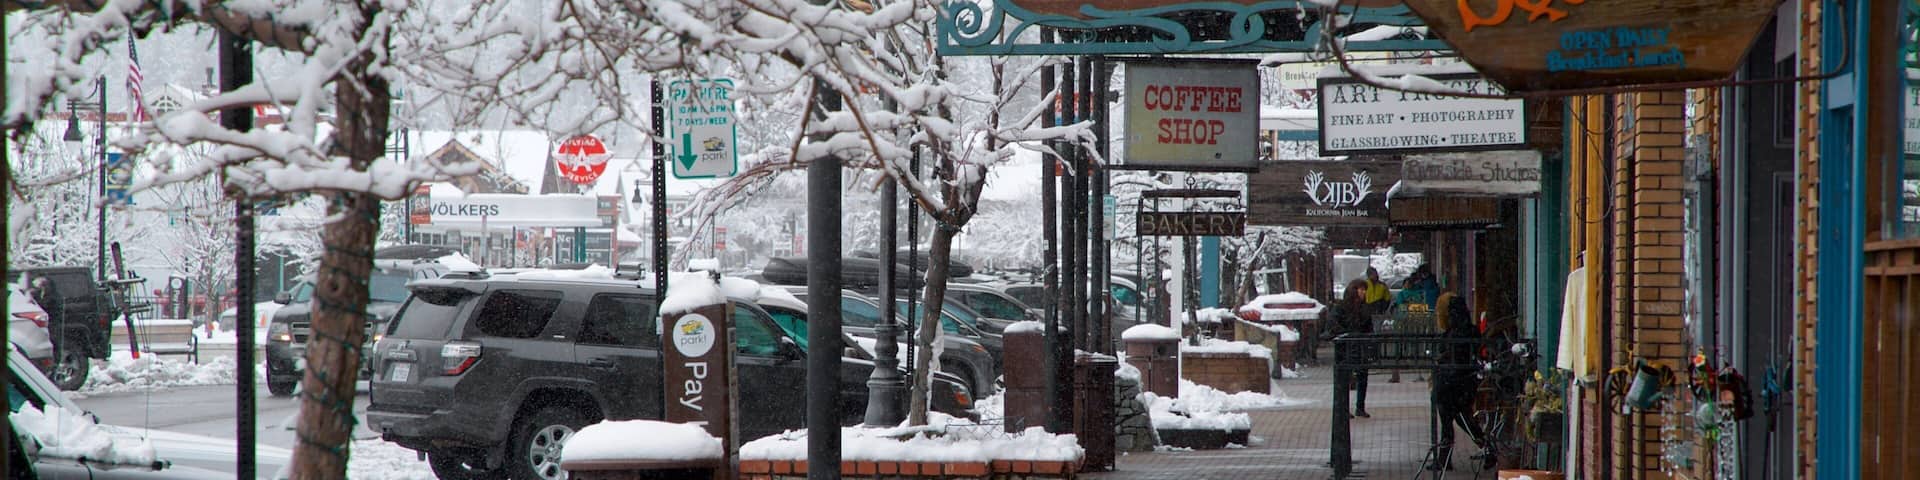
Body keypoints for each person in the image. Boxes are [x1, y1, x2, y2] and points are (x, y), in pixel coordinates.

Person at [1431, 290, 1492, 471]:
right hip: (1465, 380)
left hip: (1451, 381)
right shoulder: (1469, 330)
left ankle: (1446, 457)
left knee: (1453, 419)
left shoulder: (1452, 333)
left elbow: (1452, 357)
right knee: (1461, 418)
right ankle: (1484, 449)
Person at [1336, 279, 1374, 418]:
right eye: (1361, 290)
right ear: (1354, 290)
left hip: (1360, 346)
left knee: (1362, 377)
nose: (1364, 293)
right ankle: (1344, 408)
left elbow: (1369, 327)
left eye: (1365, 290)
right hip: (1347, 347)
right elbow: (1334, 324)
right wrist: (1347, 334)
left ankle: (1360, 407)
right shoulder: (1342, 307)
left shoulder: (1365, 308)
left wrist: (1369, 340)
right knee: (1345, 379)